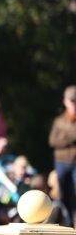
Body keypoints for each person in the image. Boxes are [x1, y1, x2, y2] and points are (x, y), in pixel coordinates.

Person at [49, 86, 76, 223]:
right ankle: (68, 222)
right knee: (64, 194)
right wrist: (71, 138)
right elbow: (53, 141)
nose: (74, 104)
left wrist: (64, 138)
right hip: (62, 162)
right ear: (65, 101)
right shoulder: (59, 121)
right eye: (72, 101)